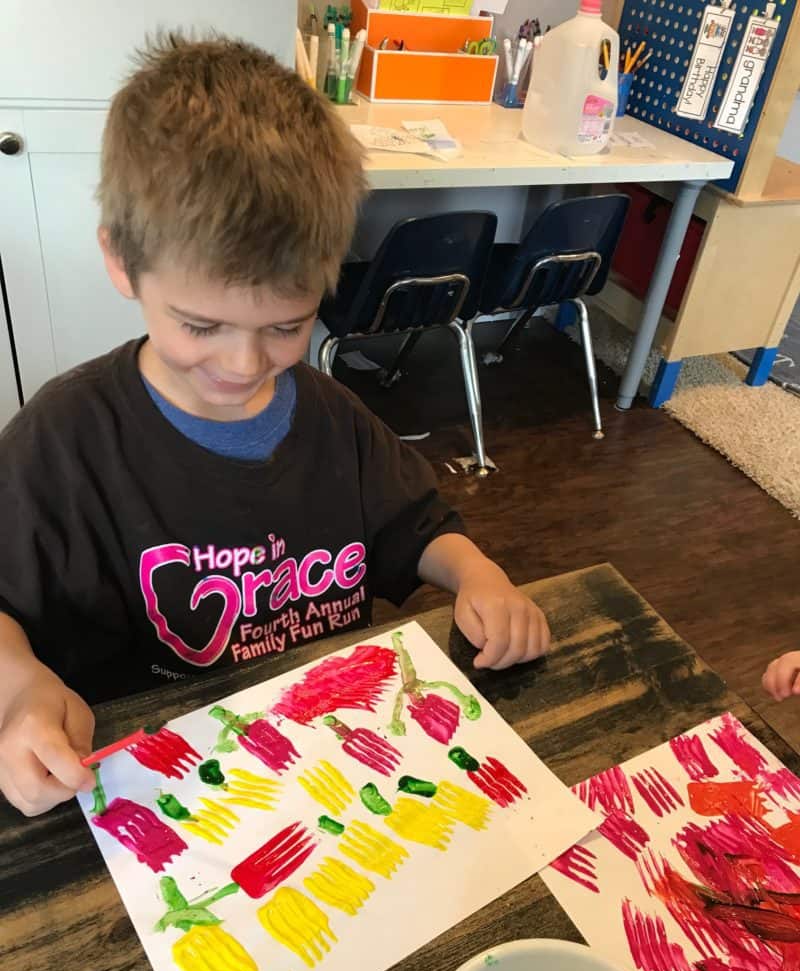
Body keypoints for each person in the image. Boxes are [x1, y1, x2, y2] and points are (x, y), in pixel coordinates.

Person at [0, 34, 550, 817]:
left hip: (336, 773)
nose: (243, 362)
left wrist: (479, 575)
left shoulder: (333, 419)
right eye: (200, 325)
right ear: (122, 262)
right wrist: (19, 687)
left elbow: (417, 525)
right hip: (165, 799)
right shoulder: (60, 444)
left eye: (287, 327)